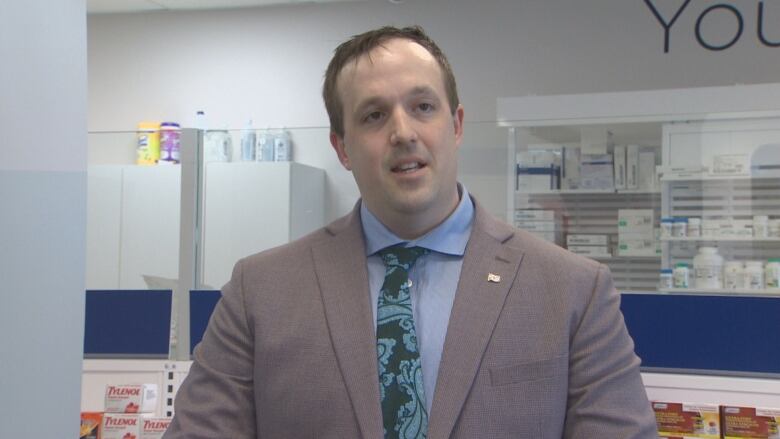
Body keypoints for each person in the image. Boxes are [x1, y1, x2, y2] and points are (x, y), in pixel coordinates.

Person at [164, 25, 658, 439]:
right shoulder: (261, 291)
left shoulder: (573, 290)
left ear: (457, 125)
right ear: (341, 147)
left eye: (423, 106)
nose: (403, 132)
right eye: (374, 115)